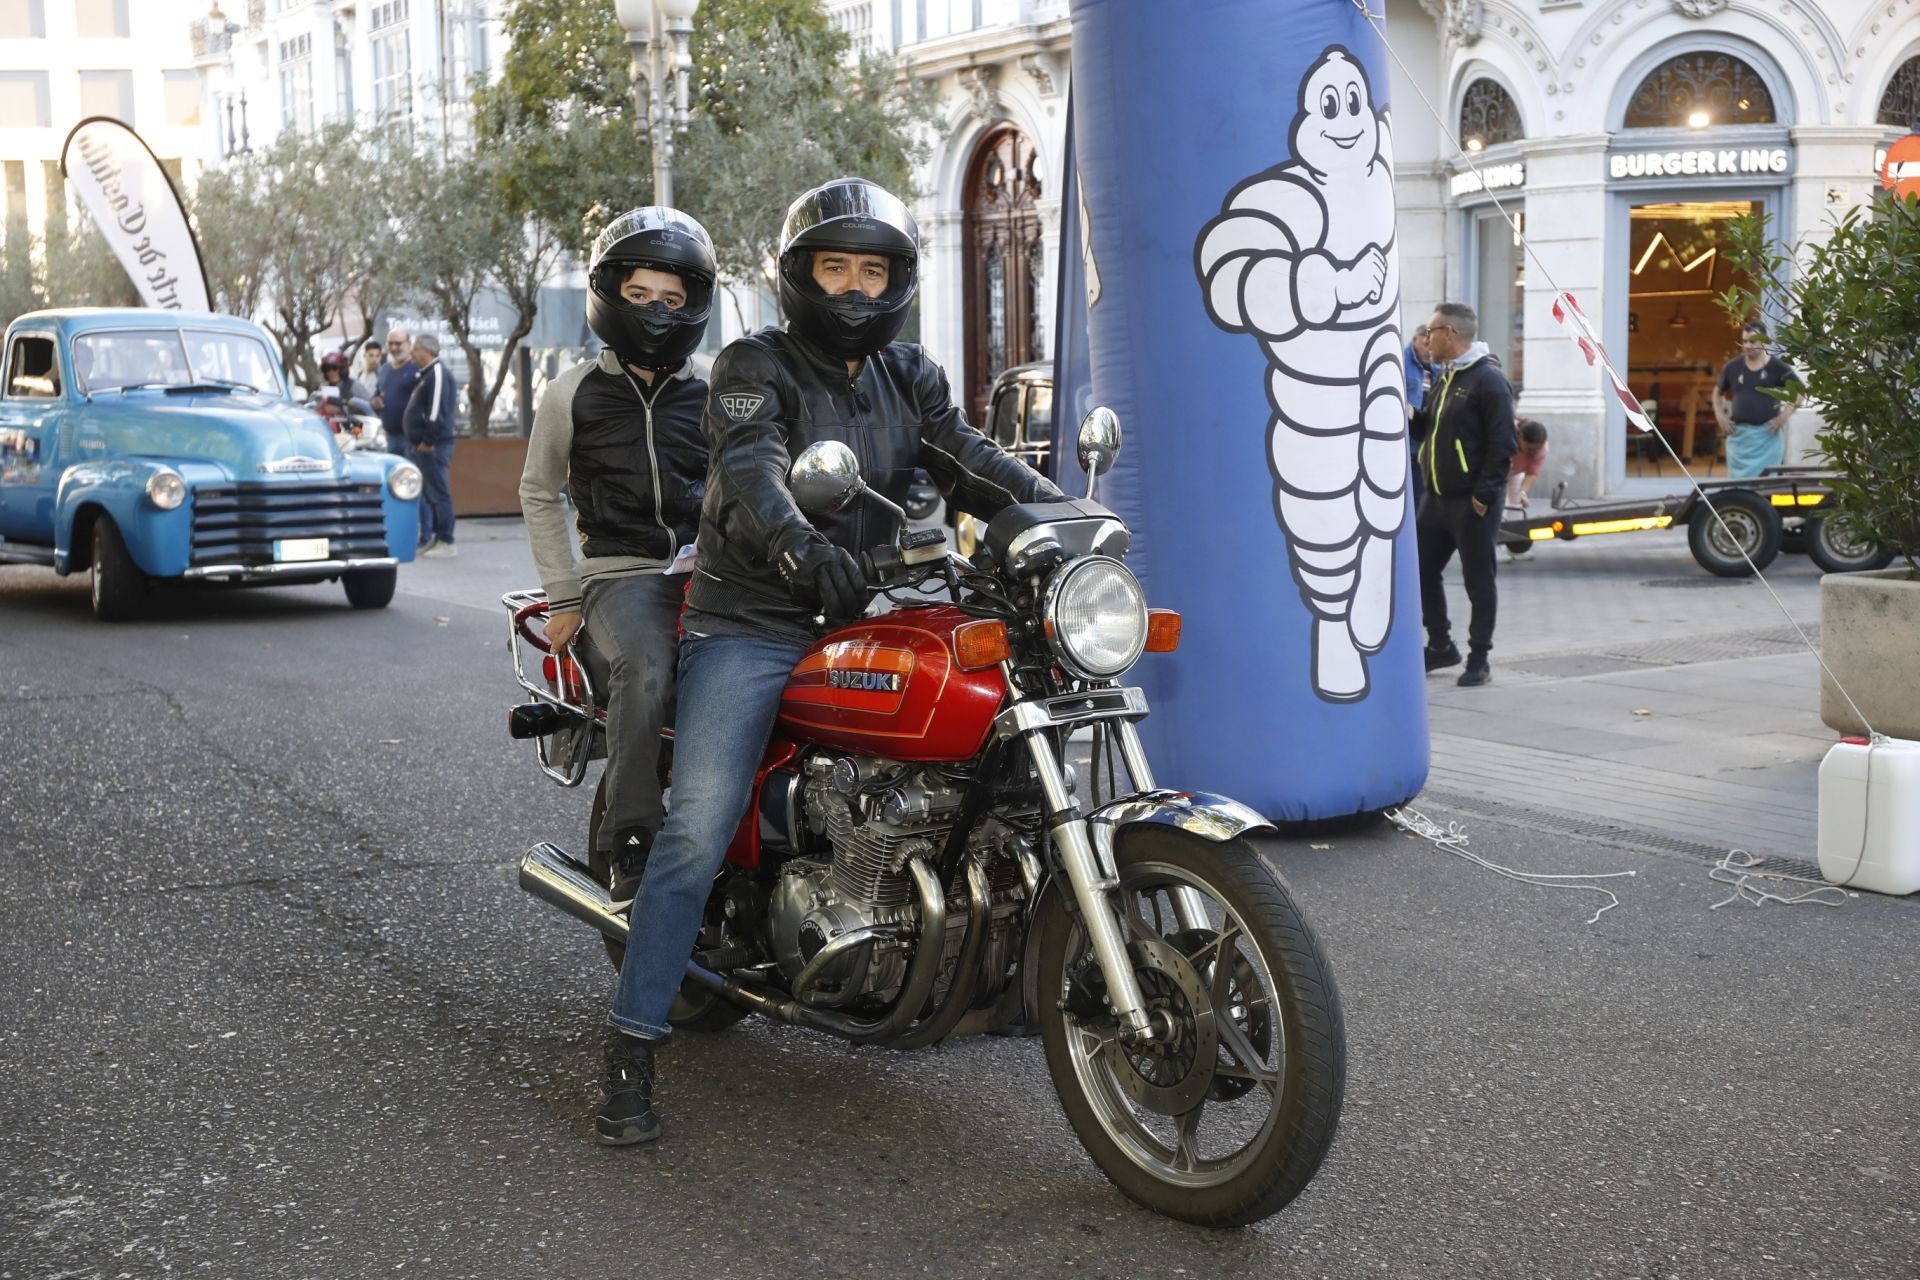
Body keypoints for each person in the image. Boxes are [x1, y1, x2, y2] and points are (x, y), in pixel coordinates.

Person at [591, 177, 1065, 1147]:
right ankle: (631, 1043)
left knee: (1002, 743)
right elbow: (752, 466)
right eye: (836, 267)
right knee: (697, 827)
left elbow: (968, 458)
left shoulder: (909, 374)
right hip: (754, 617)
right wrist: (798, 545)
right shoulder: (752, 364)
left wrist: (1061, 514)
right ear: (799, 274)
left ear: (897, 280)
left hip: (874, 600)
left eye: (873, 271)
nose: (854, 287)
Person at [518, 207, 715, 910]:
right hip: (620, 576)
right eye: (639, 295)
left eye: (671, 298)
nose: (656, 311)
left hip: (714, 573)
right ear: (610, 295)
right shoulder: (571, 392)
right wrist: (564, 594)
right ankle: (632, 837)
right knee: (647, 664)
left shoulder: (718, 388)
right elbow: (538, 491)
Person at [1412, 301, 1516, 688]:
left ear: (1449, 333)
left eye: (1430, 331)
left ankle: (1479, 658)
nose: (1426, 339)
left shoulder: (1488, 380)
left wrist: (1484, 496)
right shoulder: (1446, 376)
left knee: (1478, 580)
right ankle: (1441, 645)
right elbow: (1430, 428)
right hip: (1436, 498)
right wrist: (1410, 414)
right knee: (1420, 570)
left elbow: (1504, 445)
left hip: (1472, 501)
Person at [1714, 325, 1801, 478]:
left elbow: (1800, 391)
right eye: (1744, 341)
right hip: (1739, 439)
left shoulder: (1777, 367)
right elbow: (1717, 393)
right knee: (1739, 488)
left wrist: (1783, 417)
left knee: (1766, 487)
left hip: (1768, 439)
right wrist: (1720, 416)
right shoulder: (1732, 367)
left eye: (1752, 341)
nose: (1747, 345)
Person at [404, 333, 458, 555]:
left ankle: (446, 541)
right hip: (424, 446)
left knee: (438, 492)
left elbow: (437, 412)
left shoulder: (437, 373)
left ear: (427, 351)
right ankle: (437, 538)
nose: (412, 353)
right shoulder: (426, 374)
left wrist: (428, 441)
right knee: (431, 493)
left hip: (435, 446)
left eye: (415, 348)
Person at [372, 327, 420, 458]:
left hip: (411, 439)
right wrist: (375, 401)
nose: (393, 348)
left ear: (409, 344)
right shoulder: (384, 369)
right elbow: (377, 393)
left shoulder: (418, 368)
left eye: (398, 343)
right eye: (390, 343)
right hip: (389, 437)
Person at [1506, 418, 1548, 509]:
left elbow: (1532, 473)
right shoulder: (1506, 433)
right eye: (1530, 449)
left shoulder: (1542, 449)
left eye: (1537, 449)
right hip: (1492, 470)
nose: (1534, 452)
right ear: (1520, 437)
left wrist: (1522, 492)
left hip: (1515, 472)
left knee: (1517, 504)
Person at [1404, 322, 1433, 417]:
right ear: (1414, 339)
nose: (1429, 350)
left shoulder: (1436, 365)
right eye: (1426, 344)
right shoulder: (1402, 361)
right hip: (1409, 423)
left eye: (1433, 346)